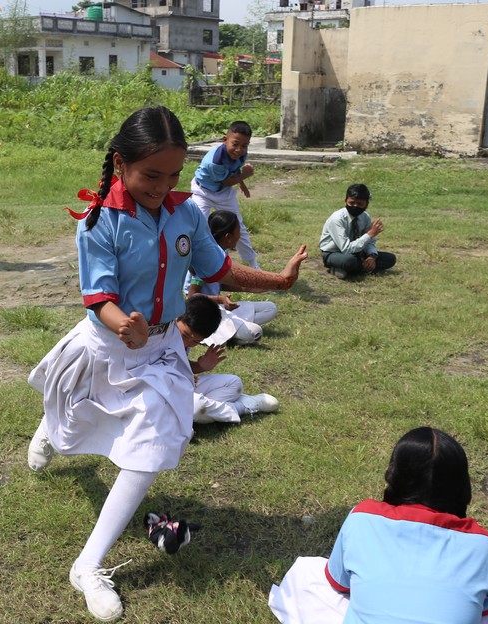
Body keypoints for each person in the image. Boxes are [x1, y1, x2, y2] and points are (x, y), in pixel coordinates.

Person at [26, 106, 309, 622]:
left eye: (174, 175)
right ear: (121, 163)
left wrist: (280, 281)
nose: (162, 187)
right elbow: (99, 296)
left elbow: (219, 268)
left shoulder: (186, 214)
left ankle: (87, 566)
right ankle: (52, 422)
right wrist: (124, 326)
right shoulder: (99, 220)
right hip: (109, 345)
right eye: (151, 175)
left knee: (151, 445)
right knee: (74, 425)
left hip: (162, 349)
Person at [269, 427, 488, 624]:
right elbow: (487, 608)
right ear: (461, 483)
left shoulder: (363, 516)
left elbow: (339, 584)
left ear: (395, 474)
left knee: (305, 571)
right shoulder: (482, 542)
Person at [187, 210, 287, 346]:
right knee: (255, 332)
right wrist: (220, 299)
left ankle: (230, 329)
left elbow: (218, 283)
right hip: (202, 312)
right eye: (238, 231)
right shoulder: (207, 258)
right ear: (228, 237)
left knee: (270, 308)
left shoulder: (222, 252)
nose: (240, 236)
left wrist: (249, 288)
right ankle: (227, 330)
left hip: (219, 308)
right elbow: (191, 297)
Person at [176, 295, 280, 424]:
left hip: (180, 387)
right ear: (177, 317)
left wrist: (200, 366)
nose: (187, 343)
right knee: (197, 408)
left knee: (233, 383)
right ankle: (242, 406)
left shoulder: (184, 338)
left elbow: (178, 364)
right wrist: (179, 377)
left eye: (196, 341)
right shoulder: (158, 333)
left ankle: (197, 413)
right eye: (185, 335)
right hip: (161, 389)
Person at [189, 120, 260, 268]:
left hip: (223, 193)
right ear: (225, 140)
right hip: (203, 191)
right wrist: (245, 175)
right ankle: (193, 268)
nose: (239, 150)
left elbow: (235, 169)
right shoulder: (215, 161)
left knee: (237, 226)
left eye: (244, 145)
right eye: (235, 144)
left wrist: (242, 184)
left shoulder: (241, 153)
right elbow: (227, 181)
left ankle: (253, 263)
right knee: (199, 225)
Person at [319, 183, 396, 280]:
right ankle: (343, 267)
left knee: (390, 259)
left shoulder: (365, 217)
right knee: (350, 261)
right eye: (351, 203)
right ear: (345, 201)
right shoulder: (337, 219)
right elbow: (346, 249)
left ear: (366, 205)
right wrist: (370, 234)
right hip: (334, 253)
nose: (355, 206)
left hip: (357, 252)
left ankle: (350, 270)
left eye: (360, 204)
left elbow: (369, 242)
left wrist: (372, 256)